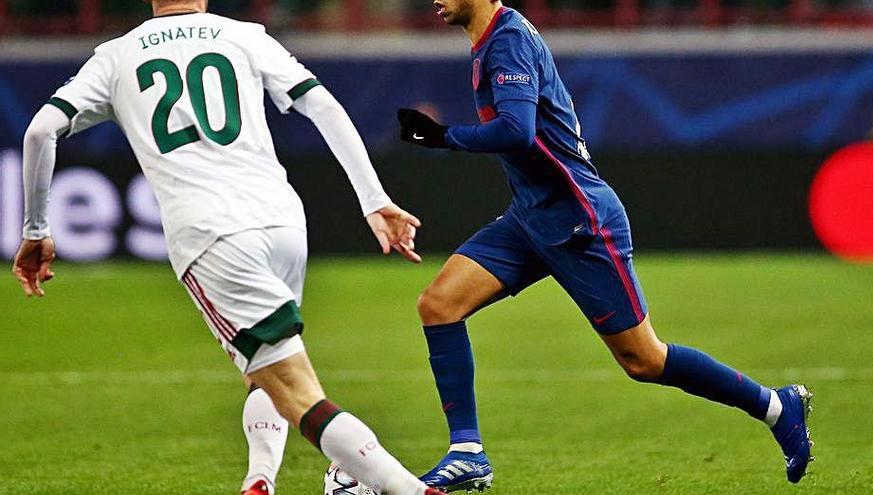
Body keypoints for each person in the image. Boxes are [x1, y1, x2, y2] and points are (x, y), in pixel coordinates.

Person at [11, 2, 443, 495]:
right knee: (263, 369)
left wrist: (36, 228)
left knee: (297, 391)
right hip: (281, 220)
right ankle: (258, 481)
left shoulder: (116, 56)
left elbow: (41, 130)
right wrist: (375, 199)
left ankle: (408, 489)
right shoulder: (244, 34)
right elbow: (321, 103)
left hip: (212, 234)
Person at [396, 0, 814, 491]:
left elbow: (517, 131)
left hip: (579, 220)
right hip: (532, 216)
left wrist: (445, 137)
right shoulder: (492, 40)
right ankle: (467, 453)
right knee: (439, 305)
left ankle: (775, 405)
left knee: (644, 360)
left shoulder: (506, 41)